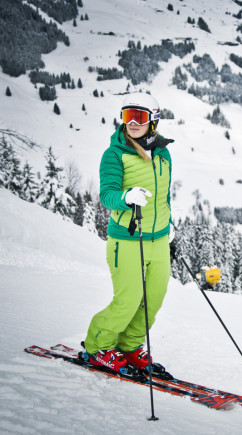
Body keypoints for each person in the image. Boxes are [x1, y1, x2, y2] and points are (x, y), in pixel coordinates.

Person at [83, 93, 174, 373]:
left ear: (153, 120)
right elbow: (107, 195)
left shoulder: (162, 152)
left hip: (158, 239)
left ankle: (130, 346)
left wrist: (169, 229)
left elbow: (164, 197)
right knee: (128, 299)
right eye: (127, 116)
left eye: (140, 116)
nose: (132, 123)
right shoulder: (114, 154)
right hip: (127, 238)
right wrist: (127, 197)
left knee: (153, 300)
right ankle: (98, 346)